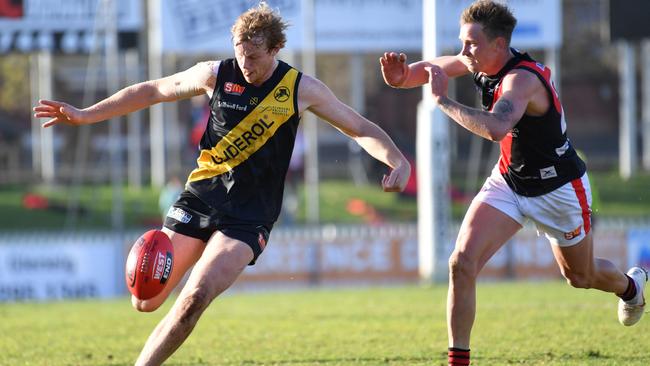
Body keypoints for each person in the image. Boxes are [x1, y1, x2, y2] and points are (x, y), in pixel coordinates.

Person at [33, 3, 411, 365]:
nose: (246, 64)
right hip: (199, 199)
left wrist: (397, 160)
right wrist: (85, 115)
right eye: (240, 53)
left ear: (276, 48)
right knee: (145, 301)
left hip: (249, 218)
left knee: (195, 297)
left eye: (255, 56)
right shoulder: (214, 74)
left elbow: (359, 128)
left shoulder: (300, 88)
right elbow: (152, 91)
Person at [379, 1, 646, 365]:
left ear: (499, 45)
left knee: (580, 277)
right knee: (461, 262)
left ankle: (631, 288)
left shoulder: (521, 80)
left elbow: (495, 127)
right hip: (509, 182)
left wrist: (441, 101)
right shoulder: (479, 59)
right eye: (462, 42)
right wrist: (402, 77)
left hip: (559, 190)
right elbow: (428, 70)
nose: (464, 51)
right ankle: (458, 360)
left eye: (471, 43)